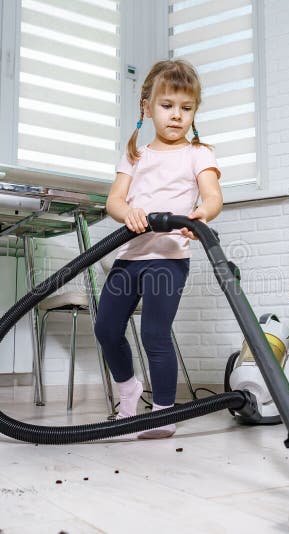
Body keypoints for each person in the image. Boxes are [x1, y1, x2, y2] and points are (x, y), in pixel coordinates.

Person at [93, 59, 222, 439]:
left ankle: (164, 412)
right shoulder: (135, 154)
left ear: (195, 111)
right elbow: (114, 201)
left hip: (168, 259)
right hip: (129, 256)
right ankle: (129, 392)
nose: (177, 116)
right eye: (167, 106)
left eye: (186, 108)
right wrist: (128, 212)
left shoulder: (199, 152)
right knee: (105, 328)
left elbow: (213, 196)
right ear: (147, 107)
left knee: (154, 332)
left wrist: (201, 214)